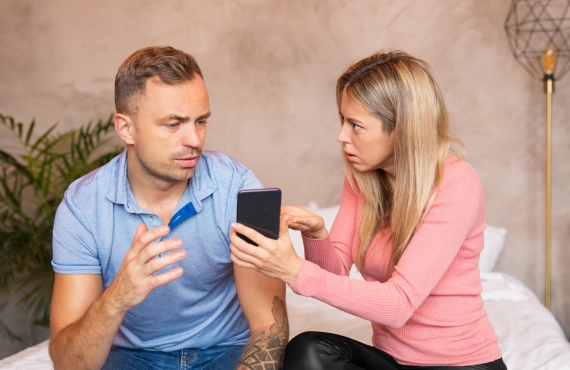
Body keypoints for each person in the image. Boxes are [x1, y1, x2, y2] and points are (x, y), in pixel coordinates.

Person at [229, 51, 507, 369]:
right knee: (308, 350)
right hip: (393, 361)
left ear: (401, 128)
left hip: (460, 364)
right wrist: (318, 234)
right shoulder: (363, 181)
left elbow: (398, 304)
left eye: (356, 125)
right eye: (342, 120)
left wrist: (293, 269)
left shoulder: (456, 182)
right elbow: (330, 279)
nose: (341, 136)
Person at [49, 46, 288, 370]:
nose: (194, 139)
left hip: (225, 350)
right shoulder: (83, 206)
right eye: (173, 124)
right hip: (129, 357)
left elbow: (268, 327)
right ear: (126, 128)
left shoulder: (237, 188)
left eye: (200, 121)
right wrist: (116, 298)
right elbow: (68, 363)